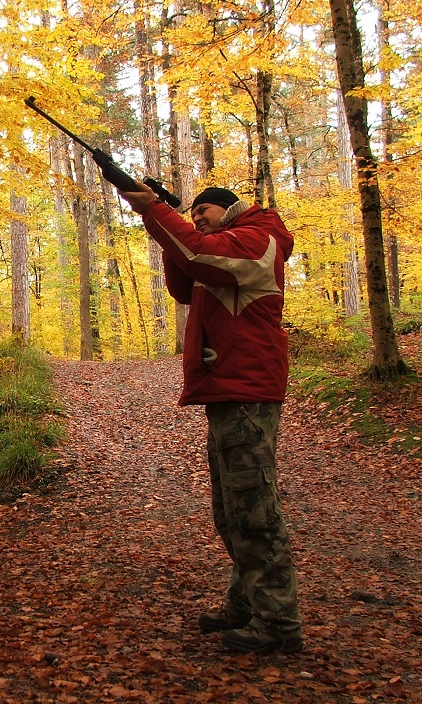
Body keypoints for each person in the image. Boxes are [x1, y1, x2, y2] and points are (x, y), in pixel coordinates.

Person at [119, 183, 303, 654]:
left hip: (247, 389)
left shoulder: (256, 239)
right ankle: (247, 603)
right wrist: (157, 218)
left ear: (231, 209)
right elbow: (184, 282)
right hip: (228, 389)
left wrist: (157, 210)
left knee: (254, 510)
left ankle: (277, 623)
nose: (197, 218)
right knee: (231, 510)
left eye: (205, 211)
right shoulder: (222, 247)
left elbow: (198, 256)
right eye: (194, 213)